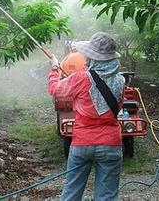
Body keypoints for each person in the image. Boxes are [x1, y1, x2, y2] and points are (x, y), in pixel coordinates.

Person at [48, 32, 125, 201]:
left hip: (82, 143)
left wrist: (55, 68)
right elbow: (117, 106)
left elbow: (54, 89)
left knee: (71, 193)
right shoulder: (120, 80)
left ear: (92, 58)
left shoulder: (79, 79)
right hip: (111, 144)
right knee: (107, 196)